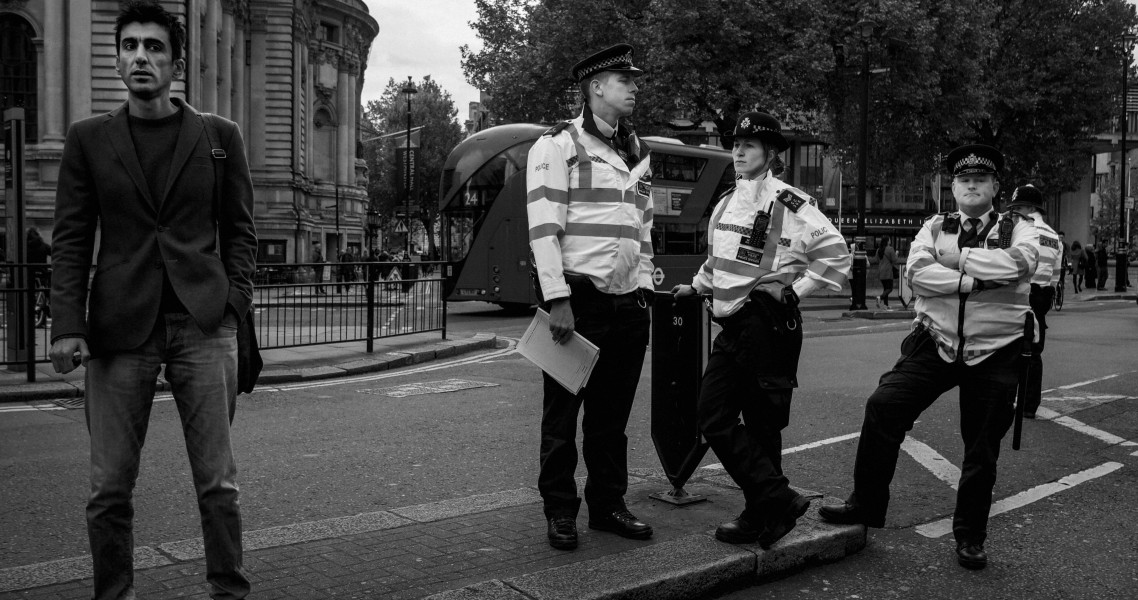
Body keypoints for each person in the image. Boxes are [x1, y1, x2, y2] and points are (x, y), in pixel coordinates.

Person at [47, 2, 257, 598]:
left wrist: (234, 304)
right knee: (108, 488)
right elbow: (70, 238)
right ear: (117, 57)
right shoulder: (89, 139)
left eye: (155, 47)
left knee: (217, 483)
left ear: (176, 62)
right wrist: (68, 324)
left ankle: (228, 591)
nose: (141, 55)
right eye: (131, 45)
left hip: (203, 324)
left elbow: (240, 231)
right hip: (119, 329)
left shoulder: (219, 137)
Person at [818, 144, 1038, 571]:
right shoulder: (935, 225)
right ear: (953, 187)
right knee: (883, 407)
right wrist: (974, 281)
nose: (971, 185)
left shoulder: (1019, 227)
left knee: (981, 447)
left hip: (994, 351)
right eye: (963, 180)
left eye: (980, 179)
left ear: (995, 187)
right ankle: (865, 504)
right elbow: (916, 273)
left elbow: (1020, 265)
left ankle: (970, 537)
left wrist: (956, 260)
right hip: (935, 340)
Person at [672, 112, 851, 547]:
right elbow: (717, 261)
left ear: (770, 155)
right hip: (733, 324)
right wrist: (695, 287)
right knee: (714, 416)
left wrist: (794, 292)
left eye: (749, 145)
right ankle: (776, 499)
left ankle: (762, 516)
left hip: (766, 325)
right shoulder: (726, 202)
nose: (738, 151)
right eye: (736, 143)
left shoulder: (790, 202)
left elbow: (837, 256)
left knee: (760, 424)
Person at [527, 43, 655, 551]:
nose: (634, 87)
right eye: (625, 80)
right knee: (561, 417)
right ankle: (560, 511)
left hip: (629, 304)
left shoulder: (637, 152)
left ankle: (607, 505)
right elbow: (543, 227)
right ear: (596, 86)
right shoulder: (557, 145)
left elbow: (643, 229)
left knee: (611, 419)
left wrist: (644, 287)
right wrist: (558, 298)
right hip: (579, 302)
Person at [1005, 185, 1061, 419]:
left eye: (1017, 207)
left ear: (1029, 208)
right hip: (1043, 294)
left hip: (1023, 291)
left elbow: (1014, 263)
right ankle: (1029, 405)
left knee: (1010, 348)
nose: (1014, 212)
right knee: (1035, 351)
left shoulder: (1025, 230)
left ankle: (1008, 399)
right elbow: (1056, 273)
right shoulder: (1053, 235)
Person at [875, 237, 899, 309]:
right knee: (890, 288)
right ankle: (880, 297)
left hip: (881, 271)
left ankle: (886, 305)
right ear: (887, 241)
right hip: (888, 271)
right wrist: (896, 254)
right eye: (889, 240)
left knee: (885, 288)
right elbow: (894, 260)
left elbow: (876, 260)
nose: (890, 241)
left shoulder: (878, 250)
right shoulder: (890, 249)